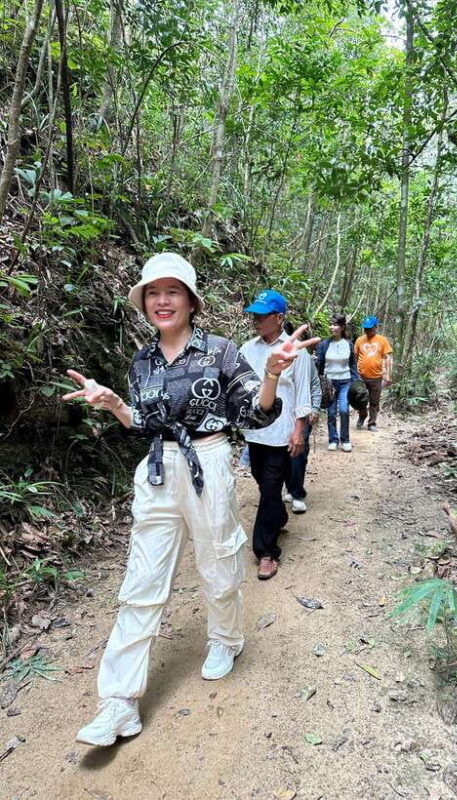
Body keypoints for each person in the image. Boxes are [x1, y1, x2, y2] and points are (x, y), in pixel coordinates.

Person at [62, 253, 312, 747]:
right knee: (142, 580)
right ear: (144, 302)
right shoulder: (142, 359)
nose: (162, 301)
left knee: (218, 561)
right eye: (153, 293)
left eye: (172, 291)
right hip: (157, 470)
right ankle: (119, 702)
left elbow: (254, 417)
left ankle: (226, 640)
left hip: (210, 461)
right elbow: (145, 424)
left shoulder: (219, 350)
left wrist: (272, 376)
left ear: (191, 301)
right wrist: (115, 405)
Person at [240, 290, 317, 580]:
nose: (255, 320)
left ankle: (267, 551)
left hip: (282, 433)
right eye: (254, 315)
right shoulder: (248, 348)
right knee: (263, 482)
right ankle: (279, 517)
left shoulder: (298, 352)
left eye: (262, 315)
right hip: (254, 432)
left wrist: (299, 430)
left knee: (271, 489)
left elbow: (302, 392)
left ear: (279, 318)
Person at [283, 344, 321, 513]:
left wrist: (315, 408)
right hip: (280, 415)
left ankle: (297, 494)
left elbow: (314, 383)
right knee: (283, 454)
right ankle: (291, 488)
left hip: (302, 412)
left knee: (298, 454)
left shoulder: (303, 356)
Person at [316, 313, 358, 452]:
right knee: (331, 412)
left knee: (344, 410)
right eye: (331, 324)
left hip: (345, 381)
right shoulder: (324, 345)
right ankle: (333, 439)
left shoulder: (349, 344)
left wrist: (356, 382)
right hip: (329, 383)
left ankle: (345, 439)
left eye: (335, 324)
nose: (331, 327)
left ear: (342, 327)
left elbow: (352, 364)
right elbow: (319, 364)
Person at [354, 315, 393, 433]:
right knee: (359, 399)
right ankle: (362, 415)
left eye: (370, 328)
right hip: (361, 375)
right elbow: (356, 357)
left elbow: (387, 358)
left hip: (376, 376)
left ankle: (372, 422)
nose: (367, 330)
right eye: (365, 328)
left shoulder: (382, 340)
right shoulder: (359, 340)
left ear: (376, 327)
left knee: (374, 401)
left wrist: (388, 375)